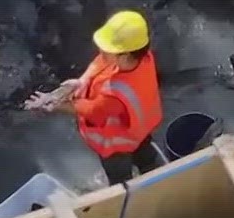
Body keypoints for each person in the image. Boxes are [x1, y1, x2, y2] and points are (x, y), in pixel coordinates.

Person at [26, 10, 163, 184]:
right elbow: (101, 61)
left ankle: (130, 190)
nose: (100, 51)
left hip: (117, 147)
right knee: (145, 157)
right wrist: (81, 82)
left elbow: (94, 111)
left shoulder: (117, 94)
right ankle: (152, 171)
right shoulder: (143, 58)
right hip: (140, 130)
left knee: (120, 177)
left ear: (125, 55)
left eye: (106, 50)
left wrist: (56, 104)